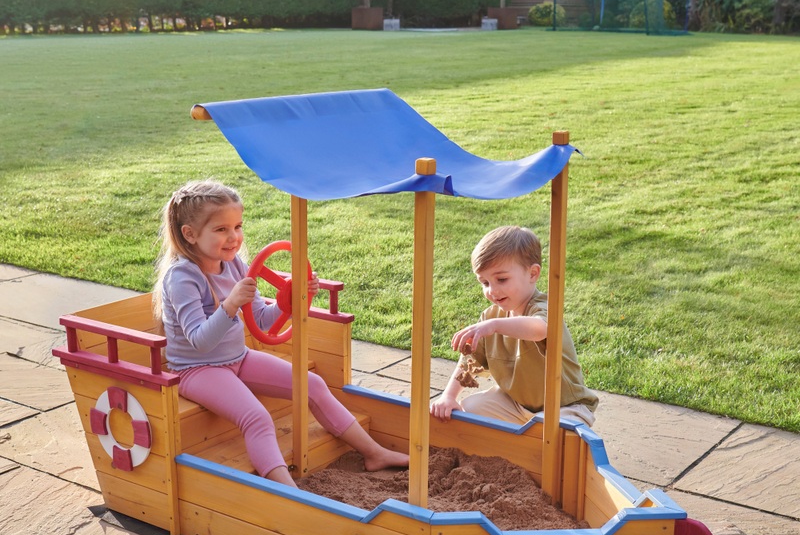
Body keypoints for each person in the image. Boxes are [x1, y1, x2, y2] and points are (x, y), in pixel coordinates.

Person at [153, 180, 408, 488]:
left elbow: (261, 318)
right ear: (190, 234)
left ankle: (374, 453)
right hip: (198, 369)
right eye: (221, 230)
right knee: (257, 417)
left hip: (238, 358)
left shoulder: (233, 265)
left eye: (237, 226)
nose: (233, 237)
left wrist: (288, 301)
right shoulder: (182, 278)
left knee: (311, 384)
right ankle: (288, 491)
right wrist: (232, 303)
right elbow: (200, 341)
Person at [430, 225, 598, 427]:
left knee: (554, 433)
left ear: (533, 274)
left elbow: (539, 329)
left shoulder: (544, 307)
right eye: (485, 283)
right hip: (517, 405)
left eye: (501, 279)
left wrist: (493, 326)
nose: (492, 290)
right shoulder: (490, 316)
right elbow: (470, 360)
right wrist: (449, 396)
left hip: (565, 407)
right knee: (471, 408)